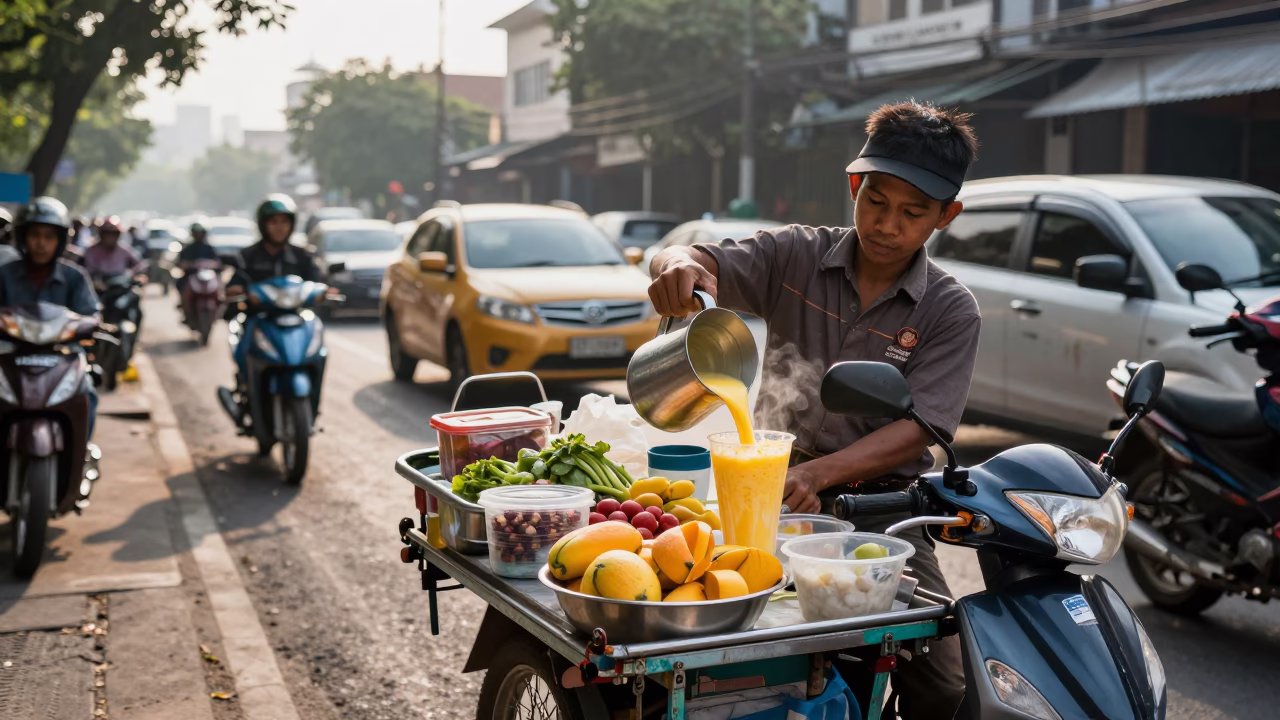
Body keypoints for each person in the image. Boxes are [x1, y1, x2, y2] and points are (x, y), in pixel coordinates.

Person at [647, 101, 980, 720]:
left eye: (912, 213)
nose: (887, 224)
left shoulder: (950, 309)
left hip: (884, 510)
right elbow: (697, 257)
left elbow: (921, 428)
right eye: (876, 201)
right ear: (855, 186)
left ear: (945, 216)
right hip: (770, 490)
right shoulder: (795, 255)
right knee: (707, 641)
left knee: (946, 673)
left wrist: (821, 477)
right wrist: (679, 267)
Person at [0, 197, 100, 436]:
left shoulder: (75, 277)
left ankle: (80, 454)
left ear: (61, 240)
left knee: (88, 393)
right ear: (23, 237)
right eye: (35, 235)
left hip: (62, 357)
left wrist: (90, 324)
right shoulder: (4, 274)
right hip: (9, 355)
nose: (41, 244)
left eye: (49, 236)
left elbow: (90, 313)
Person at [220, 194, 323, 424]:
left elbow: (317, 281)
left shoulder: (301, 256)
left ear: (291, 224)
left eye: (284, 222)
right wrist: (234, 289)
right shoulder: (247, 257)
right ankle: (245, 396)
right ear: (263, 224)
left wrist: (326, 291)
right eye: (273, 222)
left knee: (320, 350)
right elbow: (234, 282)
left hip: (296, 320)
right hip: (259, 320)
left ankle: (313, 406)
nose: (279, 227)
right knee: (244, 353)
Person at [83, 216, 146, 281]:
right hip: (99, 285)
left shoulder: (124, 250)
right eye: (108, 234)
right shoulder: (92, 251)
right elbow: (88, 270)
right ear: (102, 235)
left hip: (121, 285)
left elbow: (139, 265)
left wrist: (133, 274)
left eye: (114, 234)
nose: (111, 238)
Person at [175, 221, 220, 297]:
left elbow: (217, 262)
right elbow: (180, 263)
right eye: (196, 233)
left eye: (200, 233)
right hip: (192, 275)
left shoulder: (209, 248)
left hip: (209, 275)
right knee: (180, 284)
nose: (198, 235)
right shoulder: (188, 249)